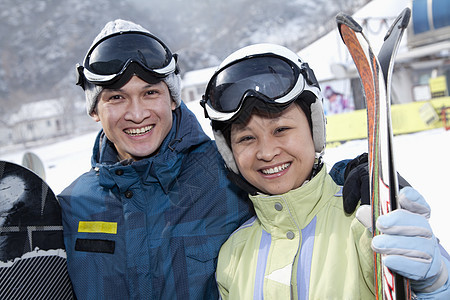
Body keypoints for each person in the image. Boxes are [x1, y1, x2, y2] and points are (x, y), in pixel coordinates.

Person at [201, 43, 450, 299]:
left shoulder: (366, 224)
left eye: (281, 130)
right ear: (229, 154)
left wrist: (436, 286)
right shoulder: (232, 255)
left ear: (315, 130)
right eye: (246, 139)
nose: (266, 152)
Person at [57, 20, 254, 299]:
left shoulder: (231, 175)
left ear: (173, 99)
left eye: (150, 93)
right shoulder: (73, 205)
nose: (137, 114)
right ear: (94, 111)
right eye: (116, 97)